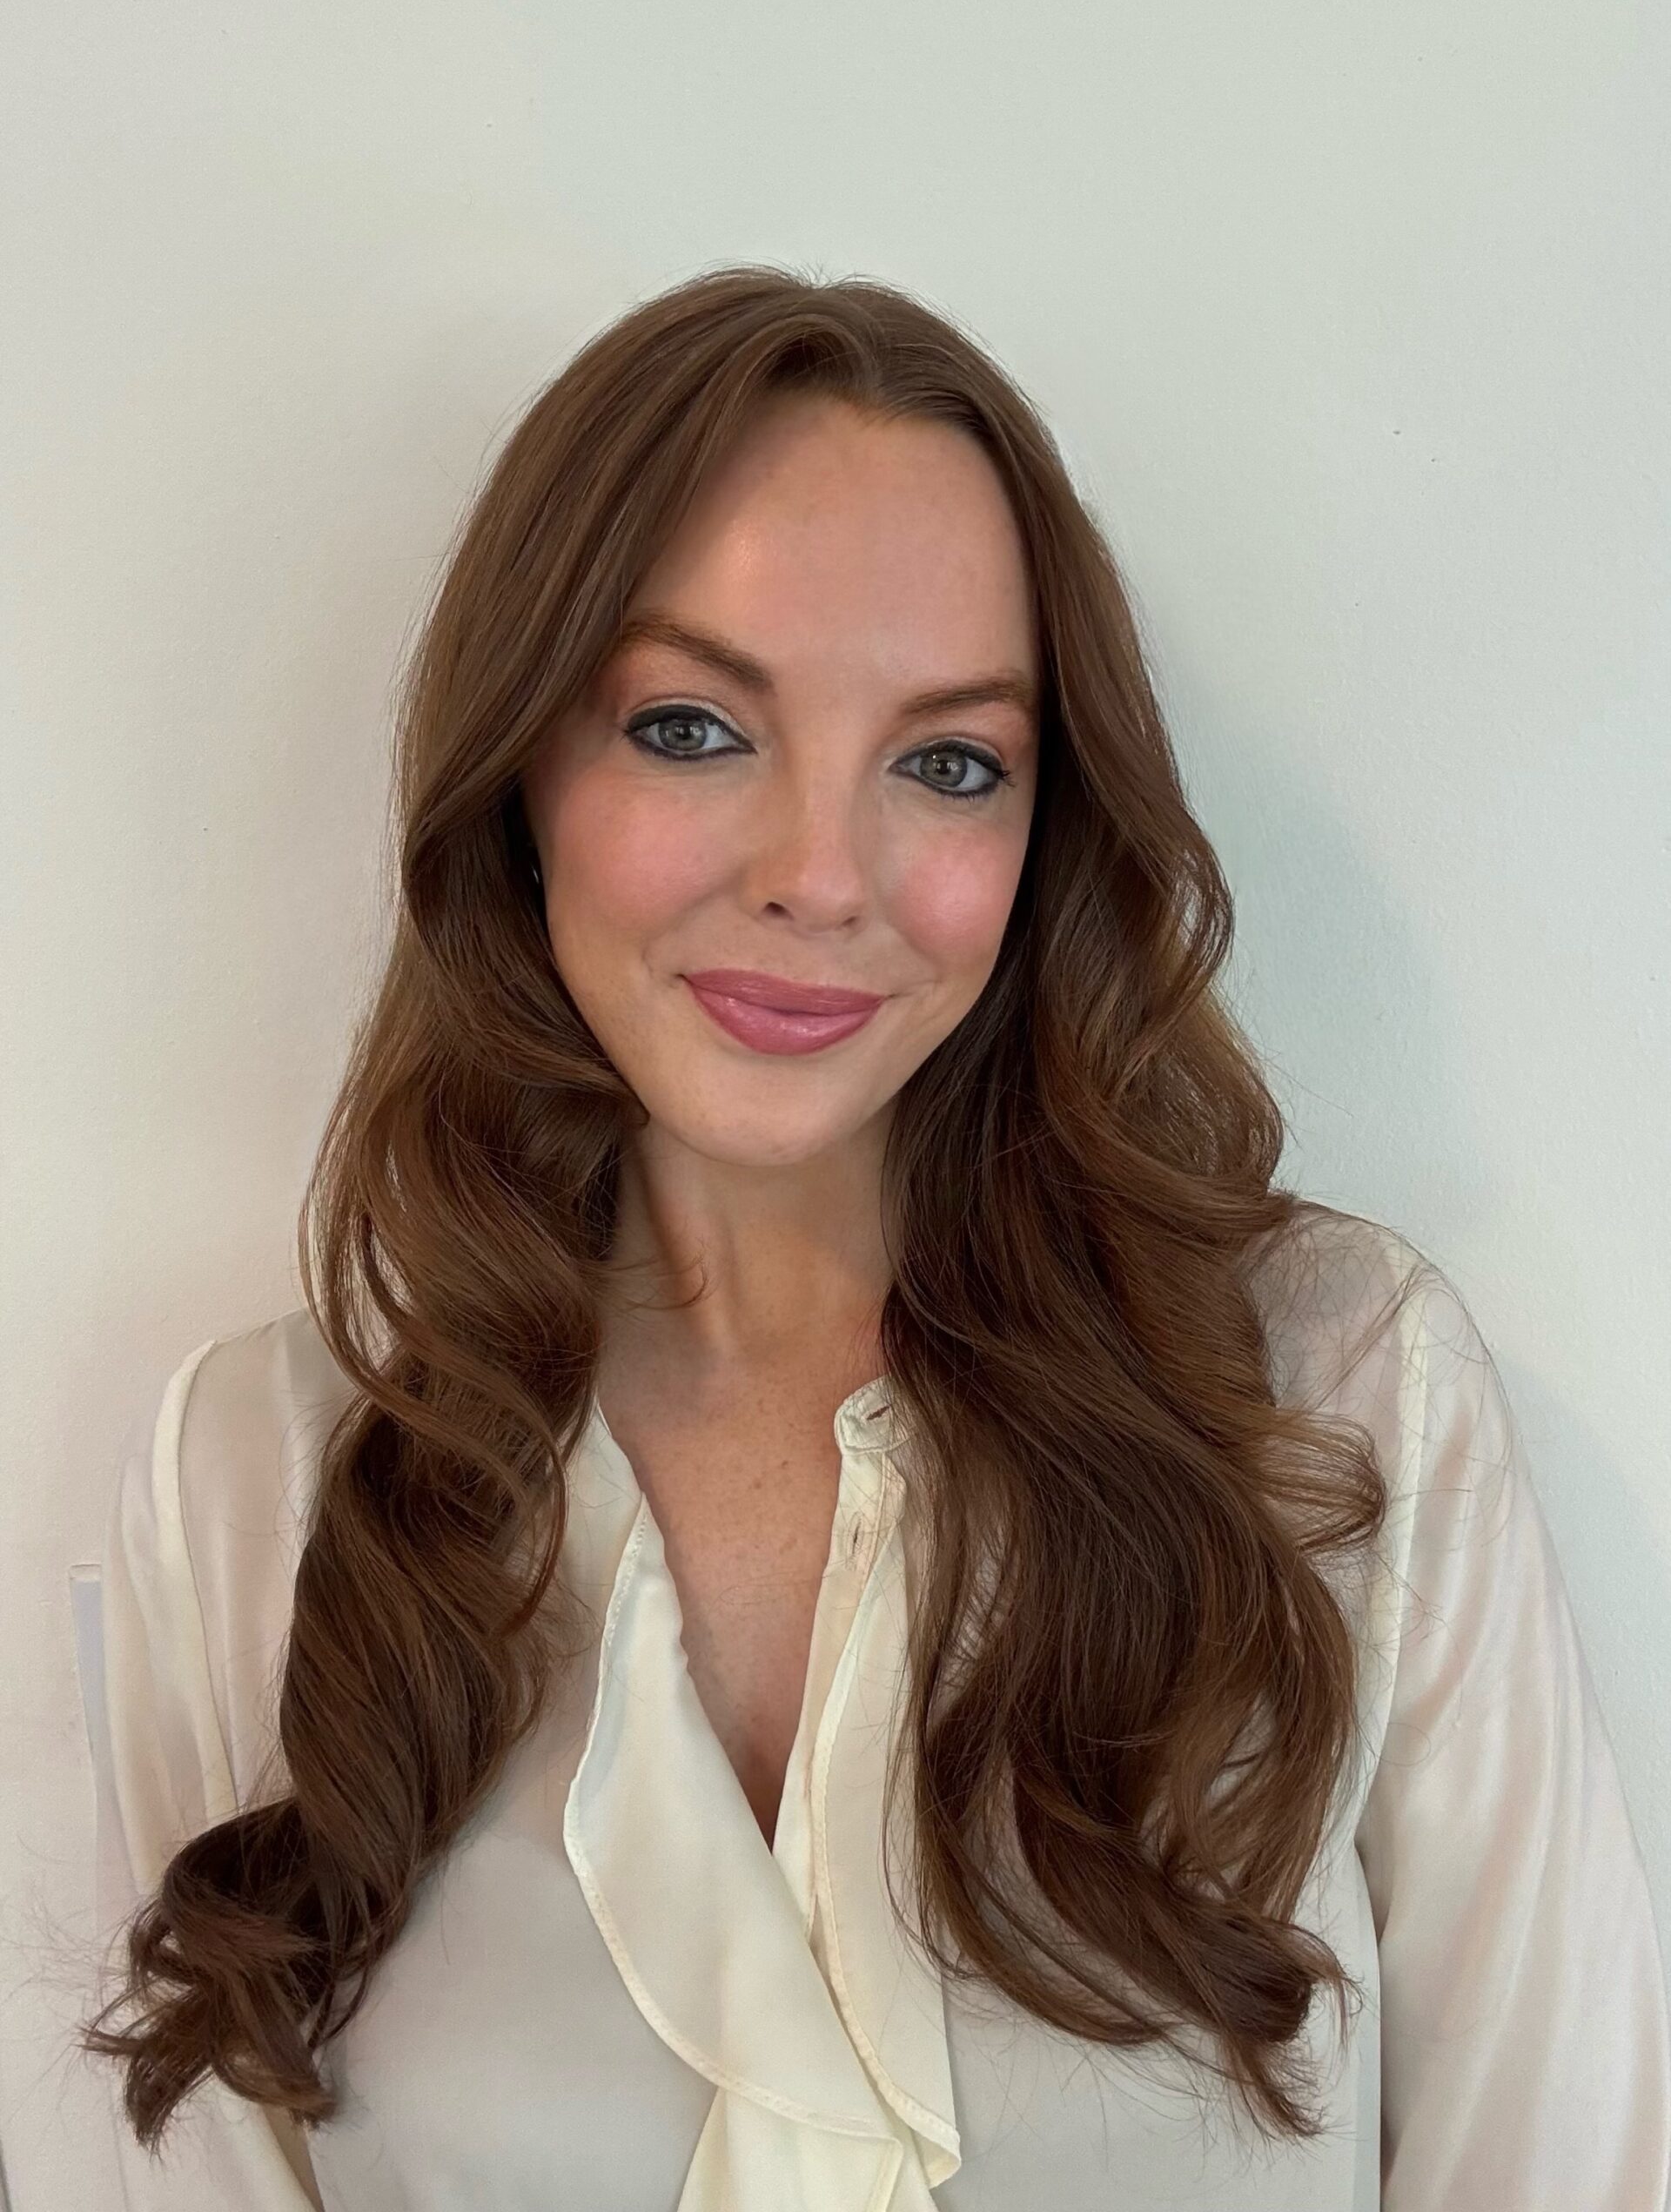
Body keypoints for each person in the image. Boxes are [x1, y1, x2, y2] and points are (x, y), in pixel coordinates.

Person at [77, 266, 1671, 2210]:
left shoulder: (1339, 1398)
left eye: (947, 760)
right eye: (687, 726)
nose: (822, 875)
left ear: (1043, 827)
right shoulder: (262, 1479)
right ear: (523, 783)